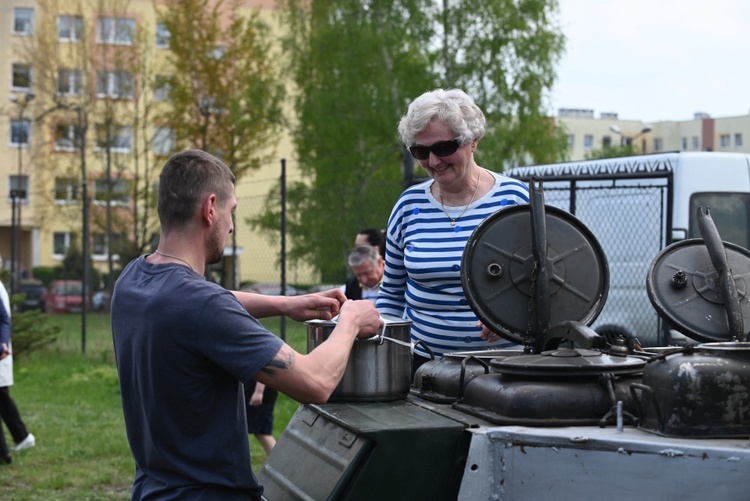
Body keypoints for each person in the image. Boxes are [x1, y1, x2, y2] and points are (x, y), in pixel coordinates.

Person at [111, 149, 381, 500]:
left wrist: (286, 304)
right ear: (210, 209)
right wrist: (351, 320)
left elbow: (204, 302)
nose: (232, 224)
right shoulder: (203, 306)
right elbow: (315, 382)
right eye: (231, 210)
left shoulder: (134, 279)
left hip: (153, 489)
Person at [376, 88, 530, 375]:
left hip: (505, 369)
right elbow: (392, 295)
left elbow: (547, 285)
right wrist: (382, 355)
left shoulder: (516, 199)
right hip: (424, 367)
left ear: (473, 141)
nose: (434, 162)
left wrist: (514, 315)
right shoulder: (409, 206)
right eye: (421, 151)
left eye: (445, 148)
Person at [0, 280, 36, 465]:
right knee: (3, 400)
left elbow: (4, 320)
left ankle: (15, 441)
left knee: (3, 400)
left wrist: (2, 344)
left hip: (1, 353)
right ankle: (20, 437)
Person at [243, 381, 277, 457]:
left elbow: (265, 369)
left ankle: (279, 462)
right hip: (258, 389)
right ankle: (279, 462)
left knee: (263, 433)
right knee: (262, 432)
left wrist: (259, 391)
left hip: (257, 391)